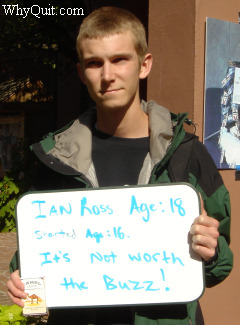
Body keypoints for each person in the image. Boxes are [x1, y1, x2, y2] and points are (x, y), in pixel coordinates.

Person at [7, 6, 233, 325]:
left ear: (144, 65)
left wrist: (211, 250)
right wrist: (23, 282)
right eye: (95, 63)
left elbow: (220, 263)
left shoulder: (187, 154)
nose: (108, 75)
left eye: (120, 59)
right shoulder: (55, 160)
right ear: (81, 71)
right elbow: (33, 261)